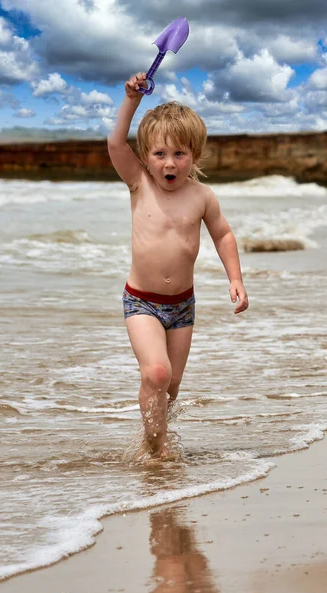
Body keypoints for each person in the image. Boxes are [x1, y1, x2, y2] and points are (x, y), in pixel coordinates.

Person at [107, 72, 249, 459]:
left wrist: (234, 278)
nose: (169, 163)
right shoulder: (139, 183)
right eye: (159, 154)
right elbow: (115, 141)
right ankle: (157, 447)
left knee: (170, 387)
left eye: (180, 154)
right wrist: (131, 100)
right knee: (156, 373)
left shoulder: (202, 196)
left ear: (195, 156)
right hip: (142, 303)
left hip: (182, 307)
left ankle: (151, 442)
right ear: (146, 157)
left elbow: (223, 235)